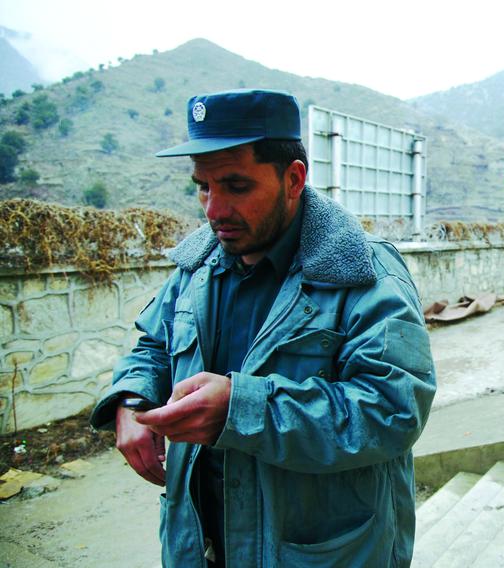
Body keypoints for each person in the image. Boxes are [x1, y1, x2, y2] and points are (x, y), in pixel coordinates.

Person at [89, 89, 436, 567]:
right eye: (203, 187)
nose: (213, 210)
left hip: (317, 554)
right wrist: (132, 401)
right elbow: (153, 345)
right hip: (200, 546)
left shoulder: (365, 276)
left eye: (235, 186)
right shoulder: (196, 267)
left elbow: (393, 410)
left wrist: (241, 409)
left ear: (293, 179)